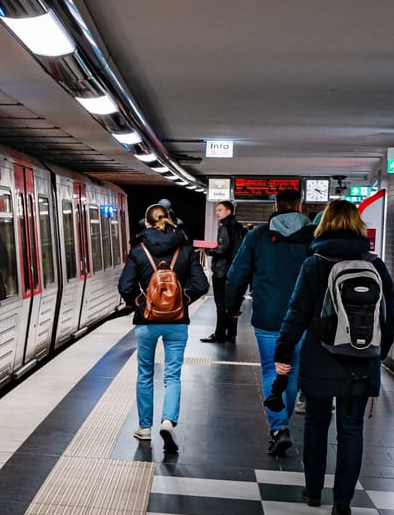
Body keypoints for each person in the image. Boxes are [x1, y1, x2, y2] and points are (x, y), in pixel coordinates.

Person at [273, 199, 394, 515]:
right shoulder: (375, 264)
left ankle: (313, 491)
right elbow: (390, 315)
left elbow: (296, 313)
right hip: (360, 359)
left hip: (320, 356)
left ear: (323, 224)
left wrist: (283, 352)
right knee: (351, 429)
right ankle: (342, 503)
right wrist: (376, 356)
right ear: (358, 226)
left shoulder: (315, 264)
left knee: (316, 424)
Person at [225, 189, 316, 456]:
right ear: (299, 205)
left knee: (271, 371)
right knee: (294, 371)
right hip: (303, 319)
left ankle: (279, 427)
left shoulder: (258, 236)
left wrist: (231, 309)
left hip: (268, 316)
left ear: (276, 205)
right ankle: (282, 424)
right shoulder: (314, 238)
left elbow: (237, 274)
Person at [118, 201, 208, 452]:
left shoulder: (138, 250)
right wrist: (181, 300)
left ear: (146, 223)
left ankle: (144, 428)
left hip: (146, 322)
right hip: (177, 322)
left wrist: (141, 303)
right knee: (172, 376)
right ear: (169, 219)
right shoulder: (185, 249)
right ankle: (167, 421)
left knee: (145, 374)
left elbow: (125, 287)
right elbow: (201, 285)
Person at [200, 200, 247, 344]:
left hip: (222, 272)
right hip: (236, 272)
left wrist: (208, 250)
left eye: (220, 210)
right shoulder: (241, 229)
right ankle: (231, 334)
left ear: (229, 211)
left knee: (221, 305)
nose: (217, 213)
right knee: (233, 305)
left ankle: (219, 334)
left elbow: (222, 248)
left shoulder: (225, 227)